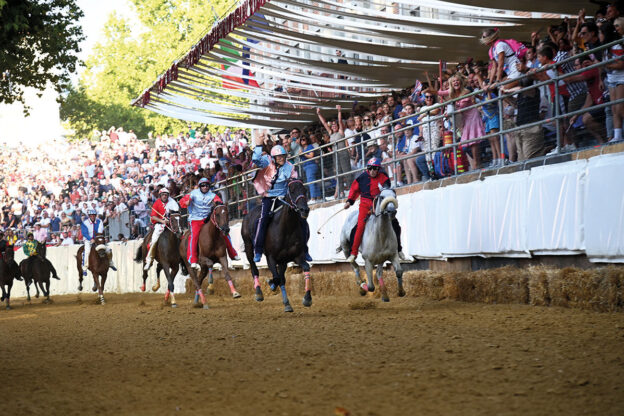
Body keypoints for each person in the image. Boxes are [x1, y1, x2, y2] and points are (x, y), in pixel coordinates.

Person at [251, 135, 312, 263]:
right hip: (269, 197)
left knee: (301, 219)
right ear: (273, 158)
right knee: (263, 220)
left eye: (283, 156)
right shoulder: (267, 161)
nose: (281, 158)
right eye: (278, 157)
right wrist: (259, 145)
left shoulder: (290, 166)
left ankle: (304, 250)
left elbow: (294, 180)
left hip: (285, 197)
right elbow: (255, 159)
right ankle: (258, 249)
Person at [343, 158, 406, 264]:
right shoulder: (361, 178)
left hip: (380, 204)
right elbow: (354, 190)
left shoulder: (384, 177)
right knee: (360, 227)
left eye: (375, 168)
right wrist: (349, 201)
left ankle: (398, 249)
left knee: (395, 224)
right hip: (365, 204)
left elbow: (386, 191)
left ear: (378, 169)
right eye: (370, 168)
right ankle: (353, 253)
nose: (372, 171)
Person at [179, 177, 240, 271]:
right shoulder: (193, 194)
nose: (205, 187)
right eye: (203, 185)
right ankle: (193, 259)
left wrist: (218, 203)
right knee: (194, 236)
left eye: (207, 185)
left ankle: (233, 254)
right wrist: (186, 202)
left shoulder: (212, 195)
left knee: (224, 231)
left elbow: (218, 202)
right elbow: (182, 201)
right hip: (195, 219)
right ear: (200, 186)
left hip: (207, 218)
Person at [144, 187, 180, 271]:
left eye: (166, 195)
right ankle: (149, 260)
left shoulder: (172, 202)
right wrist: (162, 221)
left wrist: (170, 220)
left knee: (180, 236)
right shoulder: (157, 203)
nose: (165, 196)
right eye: (163, 195)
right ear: (160, 195)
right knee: (154, 240)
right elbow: (153, 217)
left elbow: (176, 214)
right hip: (160, 225)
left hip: (171, 224)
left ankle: (181, 258)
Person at [80, 209, 116, 275]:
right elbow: (84, 233)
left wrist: (98, 238)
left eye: (94, 216)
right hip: (88, 240)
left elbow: (100, 231)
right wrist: (90, 239)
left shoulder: (99, 221)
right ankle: (85, 267)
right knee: (87, 251)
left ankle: (111, 263)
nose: (93, 217)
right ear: (89, 216)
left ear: (95, 216)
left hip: (98, 239)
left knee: (108, 250)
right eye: (91, 216)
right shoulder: (85, 223)